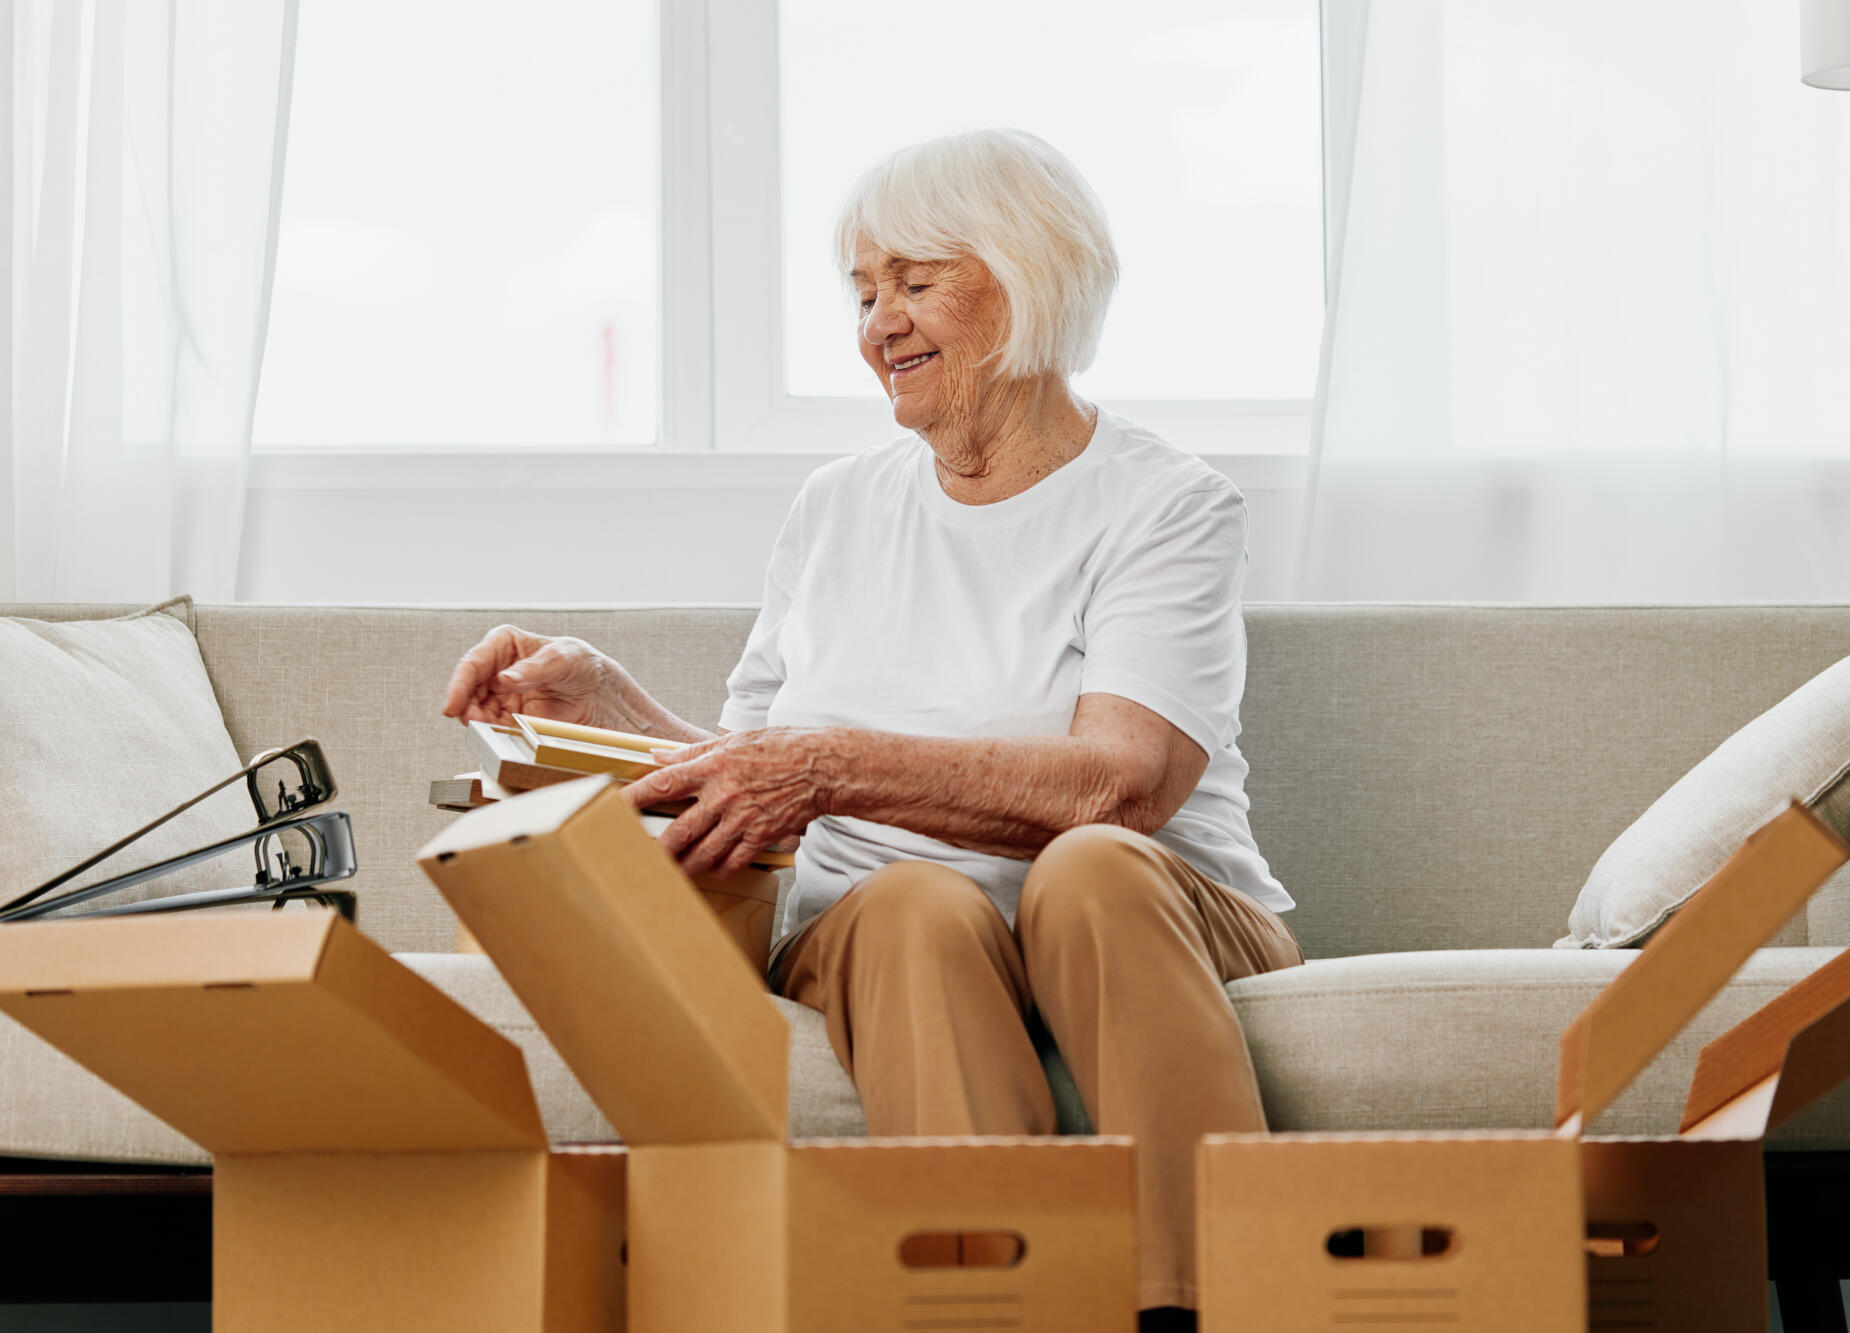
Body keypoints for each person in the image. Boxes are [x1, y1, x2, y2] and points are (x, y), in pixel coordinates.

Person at [442, 128, 1300, 1330]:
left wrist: (832, 765)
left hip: (1149, 916)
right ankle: (998, 1308)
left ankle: (1202, 1307)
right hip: (880, 922)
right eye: (861, 293)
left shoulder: (1165, 505)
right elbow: (758, 774)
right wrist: (612, 706)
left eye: (913, 281)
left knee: (1090, 869)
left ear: (1033, 274)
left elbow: (1124, 784)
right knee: (908, 903)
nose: (876, 324)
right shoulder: (836, 506)